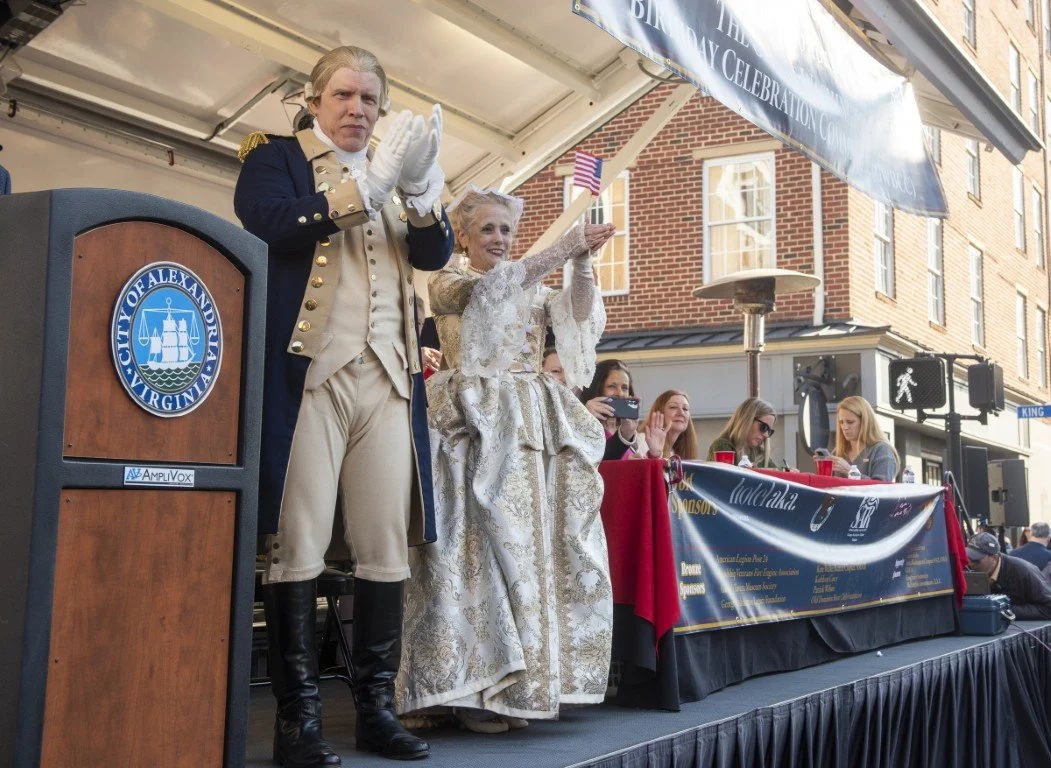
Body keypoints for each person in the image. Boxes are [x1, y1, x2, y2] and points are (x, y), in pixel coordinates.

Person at [234, 45, 453, 766]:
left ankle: (375, 711)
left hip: (389, 379)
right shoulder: (278, 156)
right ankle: (296, 721)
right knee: (294, 542)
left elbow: (432, 256)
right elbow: (265, 220)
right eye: (344, 96)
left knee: (384, 547)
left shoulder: (396, 166)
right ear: (315, 99)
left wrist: (419, 195)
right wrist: (364, 188)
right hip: (310, 377)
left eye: (369, 100)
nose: (357, 110)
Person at [395, 187, 615, 733]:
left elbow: (576, 316)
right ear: (464, 236)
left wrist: (581, 263)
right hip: (467, 425)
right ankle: (445, 685)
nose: (499, 240)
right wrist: (562, 248)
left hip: (525, 427)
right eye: (488, 230)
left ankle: (505, 688)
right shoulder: (448, 279)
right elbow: (492, 292)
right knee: (460, 550)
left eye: (506, 231)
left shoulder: (531, 284)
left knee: (521, 556)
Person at [966, 532, 1051, 619]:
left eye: (975, 559)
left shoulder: (1023, 572)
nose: (970, 563)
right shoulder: (967, 568)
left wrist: (1005, 610)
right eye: (967, 557)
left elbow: (1048, 608)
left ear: (994, 558)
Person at [579, 358, 640, 460]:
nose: (620, 393)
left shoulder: (627, 430)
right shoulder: (584, 424)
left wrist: (653, 454)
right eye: (612, 386)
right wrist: (585, 420)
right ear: (598, 389)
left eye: (624, 388)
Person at [831, 395, 899, 481]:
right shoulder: (838, 452)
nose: (845, 427)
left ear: (865, 422)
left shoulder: (881, 450)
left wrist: (849, 471)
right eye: (841, 422)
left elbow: (881, 487)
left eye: (850, 422)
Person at [705, 397, 777, 468]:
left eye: (769, 431)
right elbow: (727, 478)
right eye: (763, 427)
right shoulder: (723, 446)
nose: (766, 435)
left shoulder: (760, 454)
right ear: (747, 420)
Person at [635, 389, 700, 460]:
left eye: (685, 409)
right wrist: (654, 455)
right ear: (659, 412)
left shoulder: (675, 451)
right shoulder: (644, 440)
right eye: (673, 407)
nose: (681, 413)